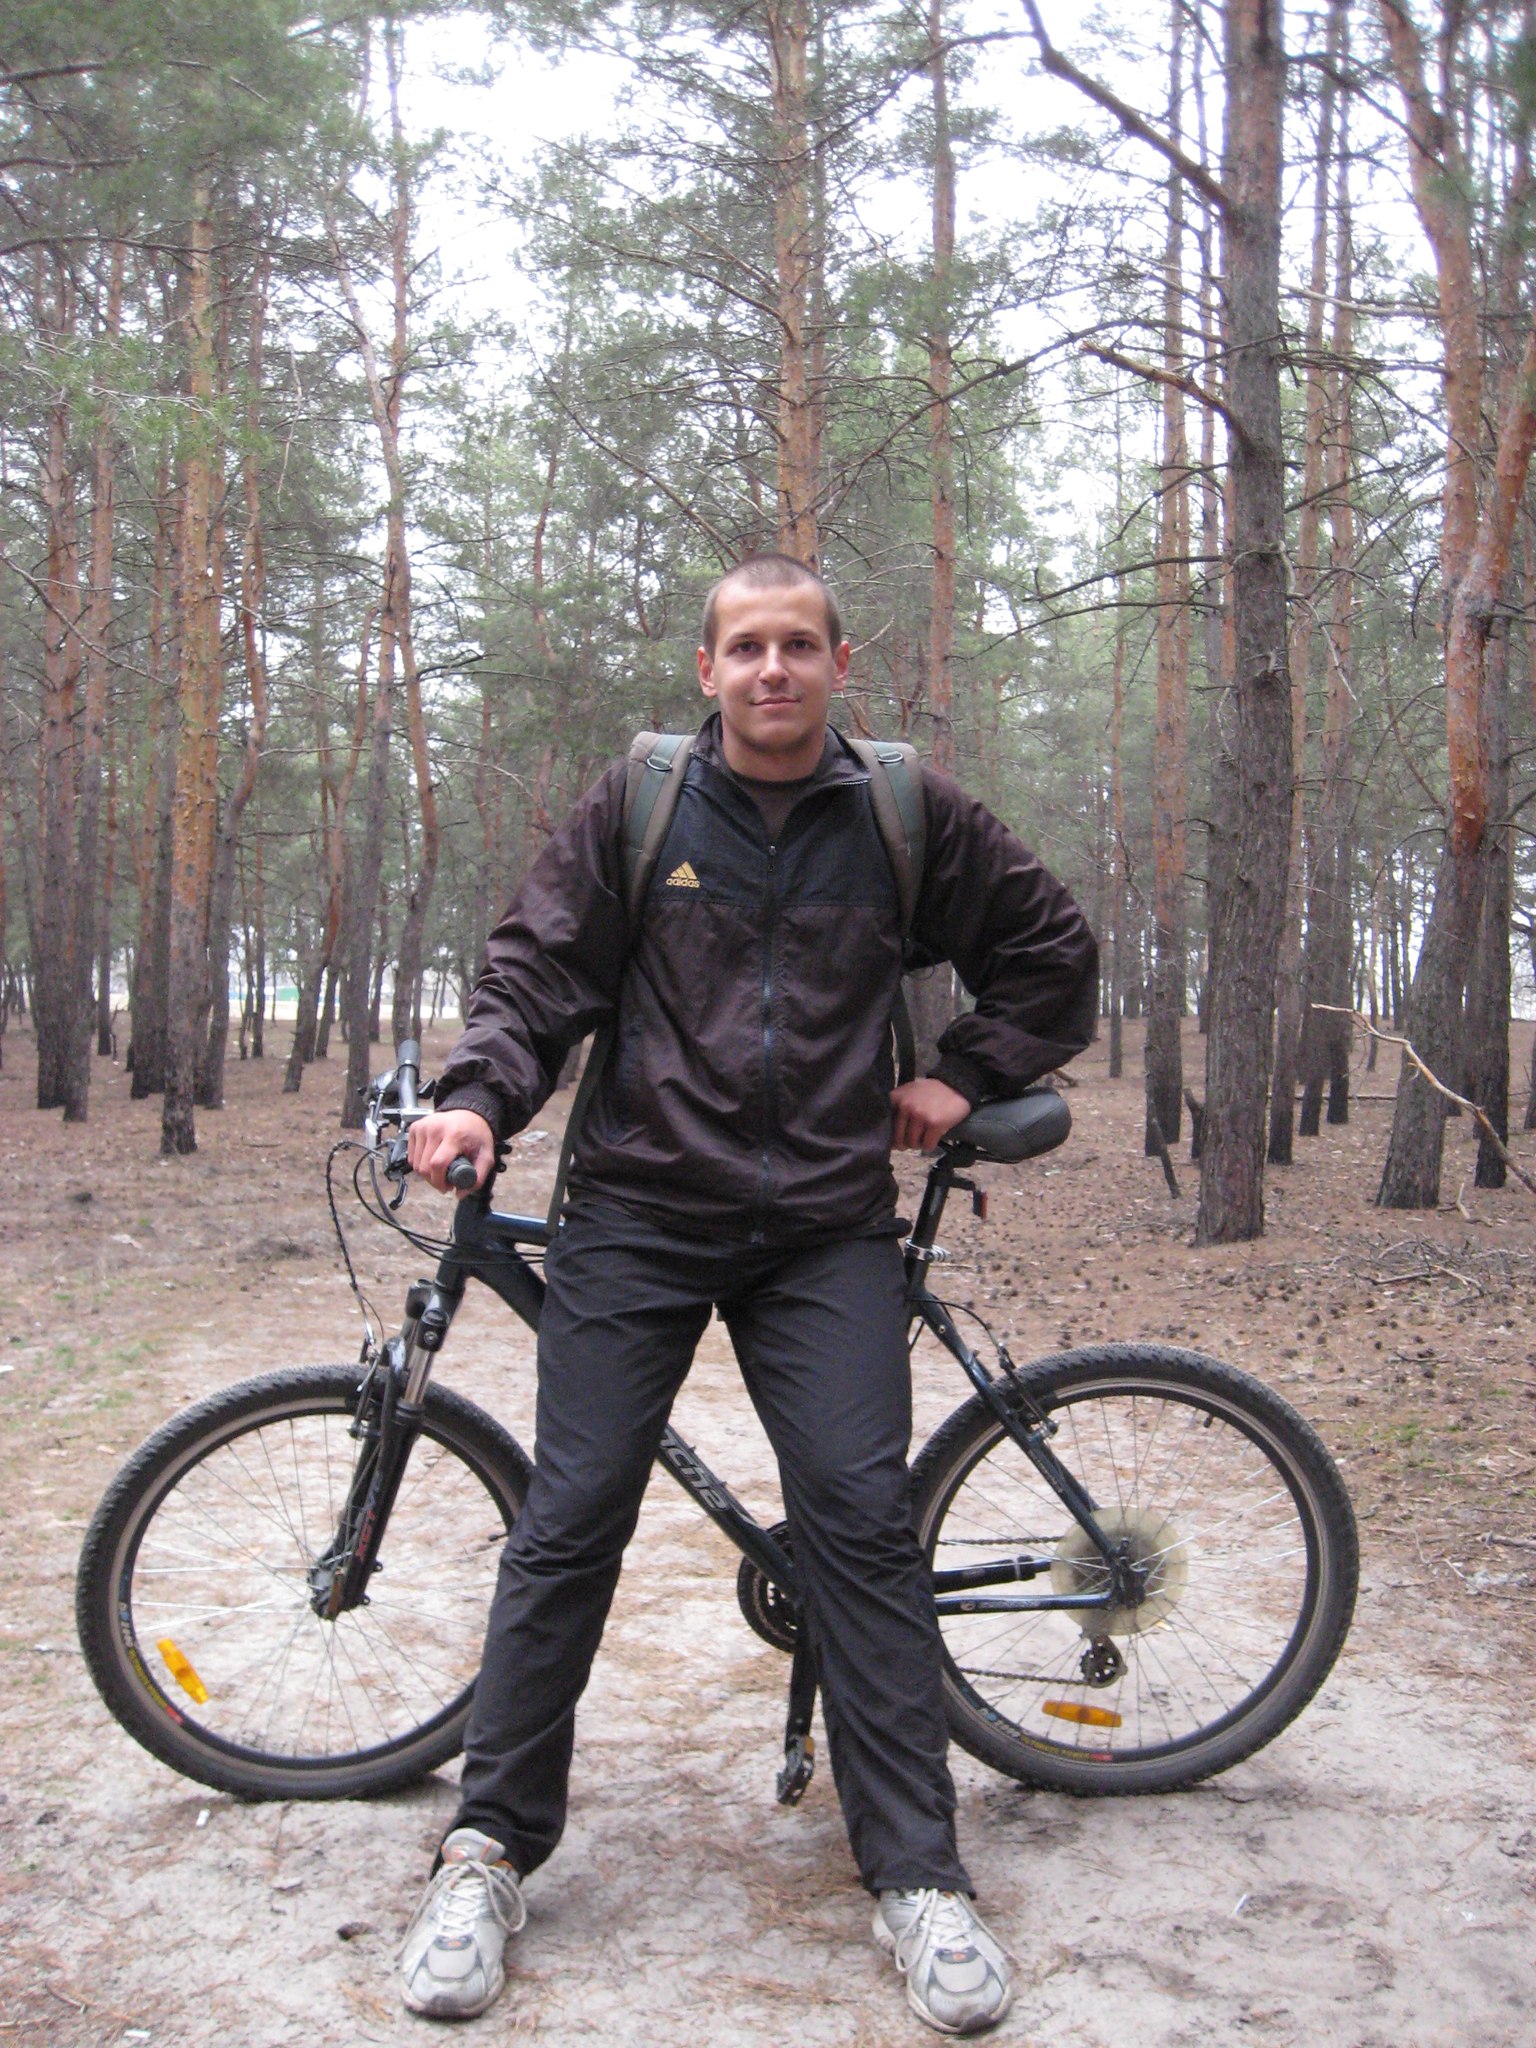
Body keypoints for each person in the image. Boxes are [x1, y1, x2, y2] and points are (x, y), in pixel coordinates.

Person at [399, 552, 1098, 2035]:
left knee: (860, 1524)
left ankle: (920, 1880)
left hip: (823, 1230)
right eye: (746, 648)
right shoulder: (643, 803)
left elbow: (1053, 952)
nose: (772, 670)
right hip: (638, 1215)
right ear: (707, 669)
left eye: (798, 646)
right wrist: (478, 1100)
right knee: (569, 1518)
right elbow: (536, 975)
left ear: (842, 664)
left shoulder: (903, 811)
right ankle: (485, 1854)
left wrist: (962, 1073)